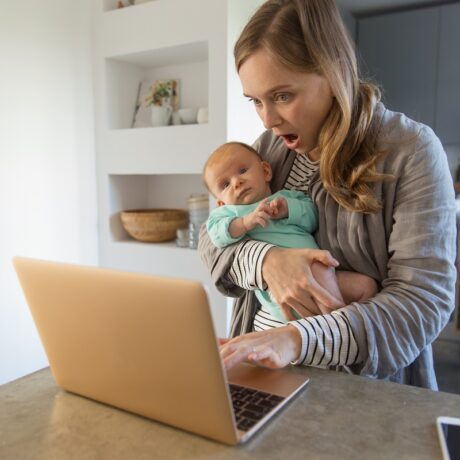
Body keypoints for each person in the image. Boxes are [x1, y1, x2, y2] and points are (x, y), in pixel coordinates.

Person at [198, 0, 456, 389]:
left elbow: (422, 304)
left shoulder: (412, 151)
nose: (267, 119)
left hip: (365, 395)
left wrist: (296, 340)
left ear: (334, 73)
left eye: (282, 96)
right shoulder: (267, 149)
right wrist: (268, 261)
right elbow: (211, 237)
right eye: (255, 100)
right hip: (264, 376)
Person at [203, 140, 377, 322]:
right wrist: (245, 223)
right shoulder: (229, 214)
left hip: (327, 275)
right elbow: (216, 236)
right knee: (319, 268)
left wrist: (288, 210)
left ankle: (352, 327)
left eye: (242, 171)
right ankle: (334, 326)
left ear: (265, 171)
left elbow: (313, 219)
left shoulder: (287, 198)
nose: (236, 182)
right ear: (220, 203)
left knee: (367, 286)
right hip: (284, 292)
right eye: (225, 185)